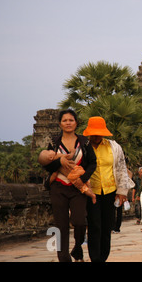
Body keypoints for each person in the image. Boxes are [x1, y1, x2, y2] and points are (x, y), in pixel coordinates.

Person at [43, 109, 97, 262]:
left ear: (76, 123)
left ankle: (77, 247)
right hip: (58, 187)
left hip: (78, 188)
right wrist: (59, 162)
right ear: (60, 124)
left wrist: (83, 178)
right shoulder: (54, 142)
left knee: (80, 221)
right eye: (65, 120)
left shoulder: (84, 141)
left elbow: (93, 162)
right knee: (61, 226)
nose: (68, 123)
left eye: (71, 120)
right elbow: (46, 164)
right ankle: (64, 258)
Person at [83, 116, 130, 262]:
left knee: (107, 226)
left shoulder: (113, 147)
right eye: (94, 133)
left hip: (110, 191)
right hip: (91, 192)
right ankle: (95, 258)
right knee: (94, 225)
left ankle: (103, 257)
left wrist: (122, 192)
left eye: (99, 133)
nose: (96, 136)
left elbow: (122, 168)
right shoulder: (83, 148)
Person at [113, 167, 134, 233]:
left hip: (121, 192)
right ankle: (112, 227)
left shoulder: (125, 172)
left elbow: (130, 175)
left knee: (119, 211)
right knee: (112, 211)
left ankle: (117, 228)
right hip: (113, 191)